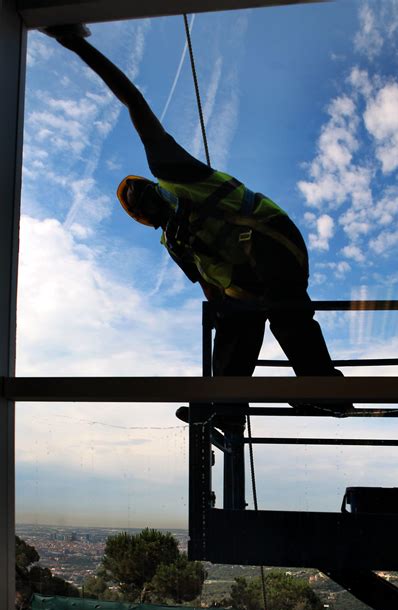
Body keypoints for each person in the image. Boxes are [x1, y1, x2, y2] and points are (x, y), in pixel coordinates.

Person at [42, 24, 352, 420]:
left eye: (139, 192)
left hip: (266, 234)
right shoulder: (173, 242)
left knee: (286, 313)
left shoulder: (175, 173)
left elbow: (134, 103)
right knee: (233, 325)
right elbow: (212, 288)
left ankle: (327, 390)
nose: (140, 200)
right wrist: (227, 322)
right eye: (136, 204)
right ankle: (225, 407)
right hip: (246, 279)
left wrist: (76, 45)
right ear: (143, 220)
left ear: (153, 187)